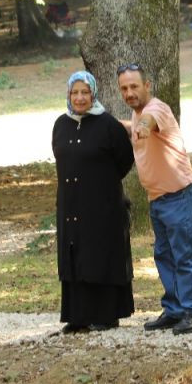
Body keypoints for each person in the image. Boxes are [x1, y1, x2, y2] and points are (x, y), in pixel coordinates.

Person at [117, 63, 192, 335]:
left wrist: (140, 127)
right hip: (157, 198)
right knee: (164, 255)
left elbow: (146, 123)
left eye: (134, 86)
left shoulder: (157, 109)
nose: (130, 92)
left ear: (147, 85)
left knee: (184, 255)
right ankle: (174, 310)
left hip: (178, 195)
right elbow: (133, 125)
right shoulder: (137, 115)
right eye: (124, 88)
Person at [52, 71, 135, 333]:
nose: (79, 98)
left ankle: (105, 314)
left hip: (102, 204)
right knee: (75, 254)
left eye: (84, 92)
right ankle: (78, 316)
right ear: (68, 94)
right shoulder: (61, 124)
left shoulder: (108, 125)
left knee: (99, 254)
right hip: (70, 203)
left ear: (93, 94)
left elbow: (124, 160)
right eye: (75, 92)